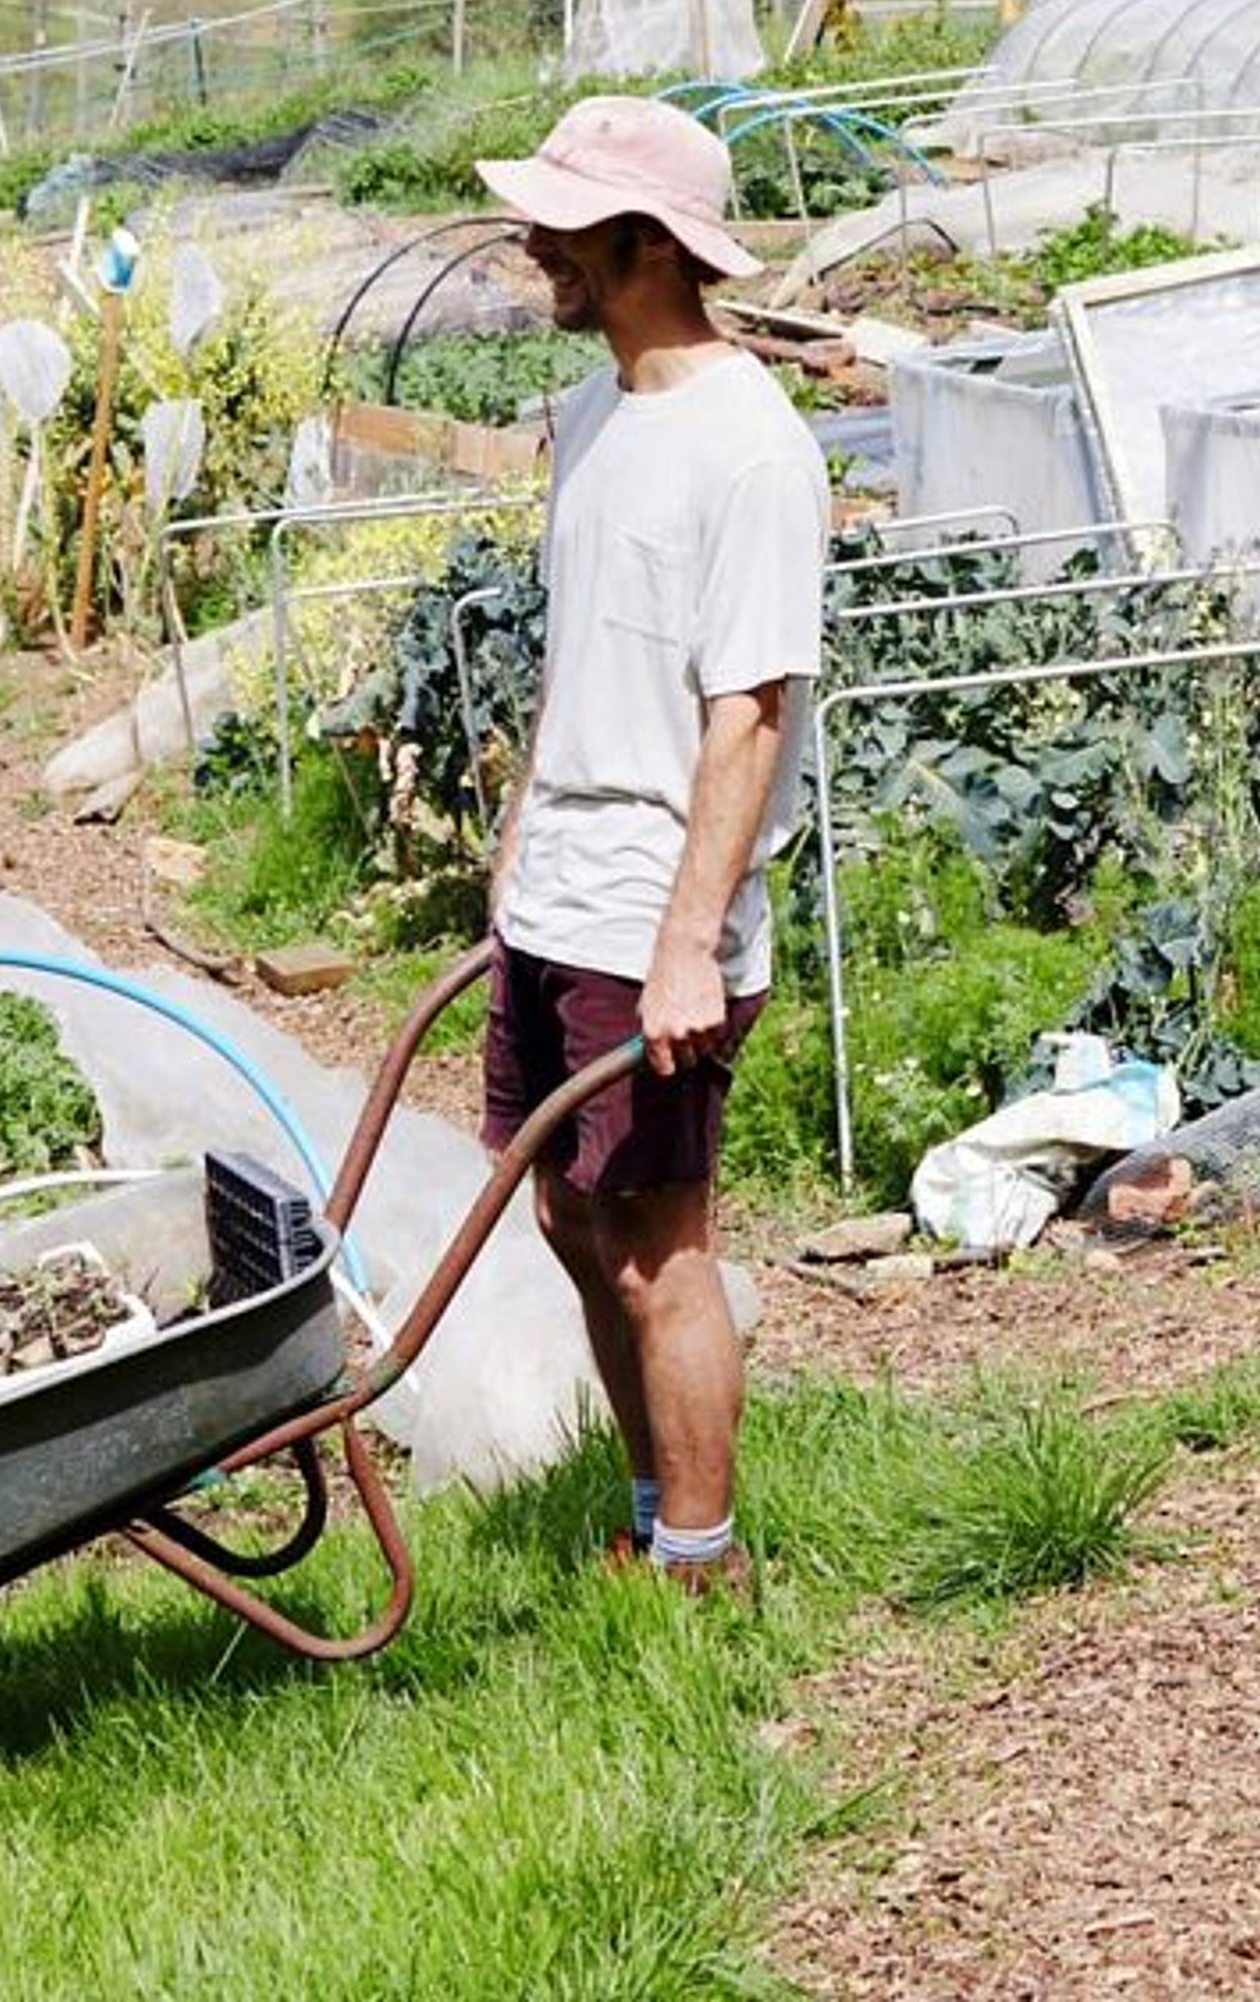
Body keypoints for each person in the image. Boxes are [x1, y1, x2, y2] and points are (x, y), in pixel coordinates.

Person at [472, 93, 825, 1600]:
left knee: (656, 1240)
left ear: (639, 242)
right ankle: (645, 1504)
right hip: (561, 881)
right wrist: (511, 846)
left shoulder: (752, 451)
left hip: (655, 902)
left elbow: (748, 713)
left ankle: (701, 1561)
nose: (531, 240)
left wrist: (692, 938)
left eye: (559, 220)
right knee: (564, 1207)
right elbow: (577, 659)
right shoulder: (599, 414)